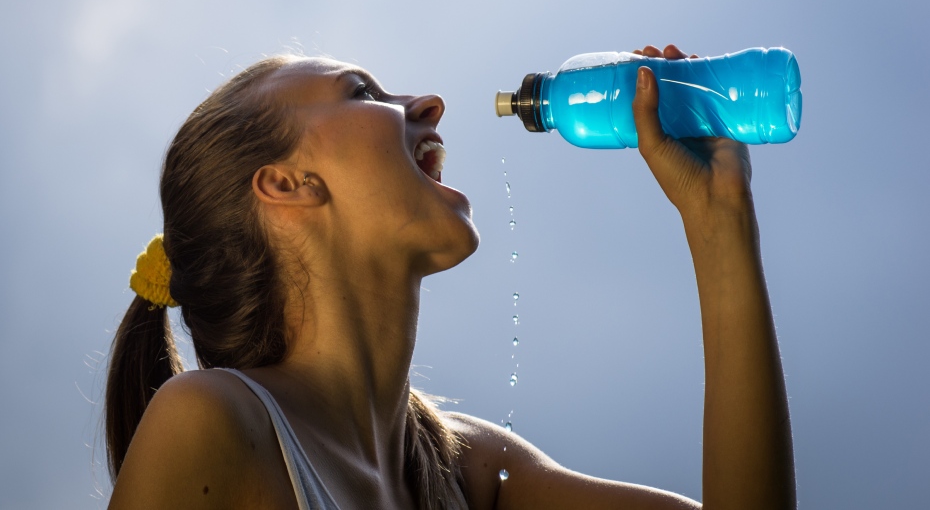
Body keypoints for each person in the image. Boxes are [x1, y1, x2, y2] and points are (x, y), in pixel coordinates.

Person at [105, 44, 796, 509]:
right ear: (287, 184)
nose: (429, 103)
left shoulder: (466, 470)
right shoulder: (210, 423)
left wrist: (719, 219)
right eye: (360, 92)